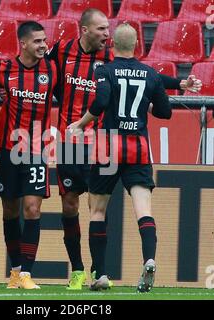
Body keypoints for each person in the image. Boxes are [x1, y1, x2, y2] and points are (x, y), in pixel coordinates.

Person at [47, 8, 202, 290]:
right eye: (101, 29)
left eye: (109, 30)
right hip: (75, 142)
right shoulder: (62, 51)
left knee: (96, 208)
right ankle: (79, 270)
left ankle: (98, 272)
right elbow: (150, 79)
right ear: (84, 30)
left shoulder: (108, 61)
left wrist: (178, 82)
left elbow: (132, 81)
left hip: (100, 139)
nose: (106, 34)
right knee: (70, 203)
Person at [68, 23, 173, 292]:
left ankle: (101, 274)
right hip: (137, 146)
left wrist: (80, 124)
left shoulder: (104, 70)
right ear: (138, 44)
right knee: (144, 209)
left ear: (112, 45)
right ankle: (149, 259)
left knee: (97, 210)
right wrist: (145, 103)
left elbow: (102, 101)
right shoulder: (150, 74)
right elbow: (164, 112)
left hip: (108, 146)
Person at [0, 21, 57, 289]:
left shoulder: (52, 69)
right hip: (8, 148)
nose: (43, 45)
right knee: (10, 209)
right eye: (38, 41)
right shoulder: (3, 69)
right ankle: (15, 271)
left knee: (32, 208)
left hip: (37, 148)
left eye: (45, 40)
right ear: (24, 43)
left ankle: (27, 274)